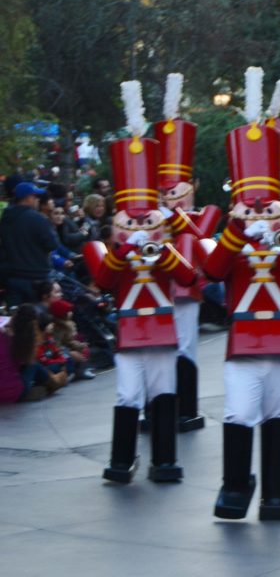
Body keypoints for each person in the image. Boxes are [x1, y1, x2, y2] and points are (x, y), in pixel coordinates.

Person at [205, 66, 280, 521]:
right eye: (250, 202)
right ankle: (236, 486)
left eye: (265, 203)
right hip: (242, 344)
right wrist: (236, 227)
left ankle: (277, 494)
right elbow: (212, 272)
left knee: (278, 418)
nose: (259, 210)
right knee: (238, 415)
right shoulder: (228, 234)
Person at [83, 81, 199, 485]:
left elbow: (188, 275)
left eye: (143, 219)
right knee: (128, 395)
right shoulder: (108, 248)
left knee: (164, 393)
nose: (137, 225)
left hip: (163, 330)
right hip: (132, 331)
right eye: (129, 220)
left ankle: (164, 460)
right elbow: (104, 278)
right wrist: (124, 249)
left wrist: (160, 246)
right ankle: (122, 459)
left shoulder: (167, 244)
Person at [156, 73, 222, 432]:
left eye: (179, 191)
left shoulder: (205, 212)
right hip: (155, 288)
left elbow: (201, 235)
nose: (173, 198)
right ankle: (158, 408)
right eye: (167, 193)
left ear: (192, 187)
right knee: (156, 349)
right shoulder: (148, 216)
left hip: (187, 289)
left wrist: (174, 218)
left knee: (185, 348)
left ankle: (187, 408)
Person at [0, 182, 58, 306]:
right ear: (27, 198)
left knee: (17, 318)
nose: (38, 200)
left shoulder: (5, 219)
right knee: (38, 320)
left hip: (12, 278)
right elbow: (52, 244)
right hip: (37, 278)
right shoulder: (37, 219)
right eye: (35, 196)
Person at [0, 304, 66, 403]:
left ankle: (49, 381)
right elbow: (24, 362)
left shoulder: (7, 336)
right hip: (13, 392)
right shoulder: (17, 341)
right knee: (34, 365)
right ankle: (53, 382)